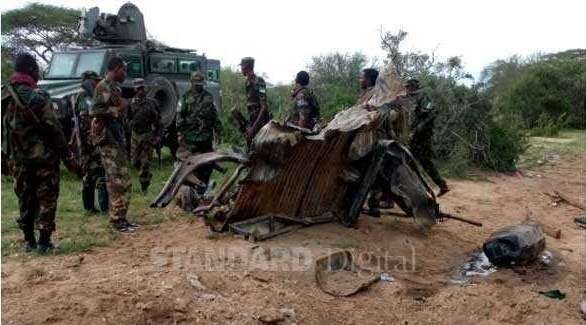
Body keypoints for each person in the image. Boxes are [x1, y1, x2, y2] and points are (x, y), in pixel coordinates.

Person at [3, 53, 69, 252]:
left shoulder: (4, 96)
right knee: (47, 197)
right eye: (37, 70)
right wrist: (66, 152)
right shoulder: (37, 96)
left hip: (16, 159)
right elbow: (53, 127)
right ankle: (44, 242)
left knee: (25, 198)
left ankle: (29, 241)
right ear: (31, 71)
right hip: (43, 159)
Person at [90, 56, 137, 233]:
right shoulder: (103, 86)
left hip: (116, 139)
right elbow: (95, 110)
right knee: (117, 181)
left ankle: (122, 218)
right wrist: (118, 110)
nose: (125, 73)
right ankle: (117, 221)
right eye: (123, 70)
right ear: (116, 69)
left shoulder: (114, 87)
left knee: (123, 180)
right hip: (108, 141)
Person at [403, 78, 450, 197]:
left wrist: (418, 129)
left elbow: (431, 113)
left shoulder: (424, 98)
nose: (407, 89)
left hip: (422, 137)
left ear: (413, 87)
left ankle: (437, 186)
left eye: (408, 87)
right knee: (410, 162)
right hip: (416, 137)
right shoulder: (413, 98)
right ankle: (436, 186)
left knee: (421, 162)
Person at [176, 71, 222, 188]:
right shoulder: (185, 98)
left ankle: (204, 186)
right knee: (188, 164)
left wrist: (218, 131)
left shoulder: (208, 97)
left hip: (205, 138)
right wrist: (180, 134)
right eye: (196, 83)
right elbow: (180, 117)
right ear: (191, 83)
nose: (198, 86)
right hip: (190, 138)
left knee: (207, 164)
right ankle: (191, 188)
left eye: (200, 83)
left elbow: (214, 116)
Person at [76, 71, 109, 214]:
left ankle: (94, 207)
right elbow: (85, 120)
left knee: (94, 174)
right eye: (95, 81)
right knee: (96, 173)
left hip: (90, 141)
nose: (97, 83)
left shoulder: (89, 95)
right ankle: (97, 207)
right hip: (89, 142)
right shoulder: (83, 95)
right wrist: (94, 140)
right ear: (88, 81)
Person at [130, 78, 162, 194]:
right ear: (135, 89)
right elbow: (127, 119)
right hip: (135, 136)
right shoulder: (131, 103)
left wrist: (158, 135)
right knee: (134, 162)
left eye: (142, 88)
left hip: (147, 135)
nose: (141, 91)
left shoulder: (152, 103)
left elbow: (159, 122)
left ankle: (145, 186)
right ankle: (145, 175)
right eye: (138, 89)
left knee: (145, 163)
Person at [239, 57, 270, 144]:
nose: (241, 69)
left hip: (261, 124)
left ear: (246, 67)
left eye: (242, 67)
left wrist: (254, 128)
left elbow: (264, 106)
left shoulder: (259, 81)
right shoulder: (247, 83)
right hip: (253, 121)